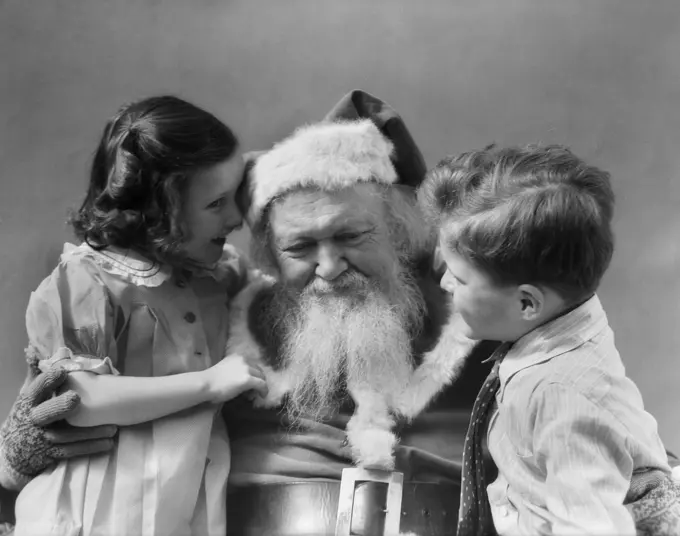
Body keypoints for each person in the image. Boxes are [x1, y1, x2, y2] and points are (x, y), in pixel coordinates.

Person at [1, 90, 678, 536]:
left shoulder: (488, 315)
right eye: (301, 246)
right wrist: (22, 449)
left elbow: (601, 424)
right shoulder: (213, 319)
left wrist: (651, 496)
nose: (328, 268)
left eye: (351, 238)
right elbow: (75, 451)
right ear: (266, 249)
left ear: (402, 231)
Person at [1, 95, 268, 536]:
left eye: (235, 194)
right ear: (158, 211)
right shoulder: (89, 280)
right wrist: (210, 382)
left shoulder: (214, 277)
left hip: (179, 503)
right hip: (99, 506)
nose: (237, 216)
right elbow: (82, 401)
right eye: (216, 203)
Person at [419, 144, 680, 535]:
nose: (443, 283)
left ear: (527, 302)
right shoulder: (565, 318)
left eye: (459, 276)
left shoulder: (562, 398)